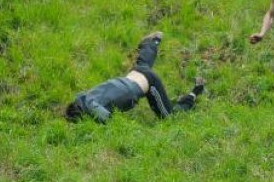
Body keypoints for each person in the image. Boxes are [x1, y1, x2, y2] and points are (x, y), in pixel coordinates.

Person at [65, 32, 205, 123]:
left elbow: (107, 118)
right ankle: (152, 42)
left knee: (168, 117)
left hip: (150, 83)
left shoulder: (91, 106)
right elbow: (80, 95)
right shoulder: (85, 97)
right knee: (143, 65)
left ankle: (194, 93)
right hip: (134, 75)